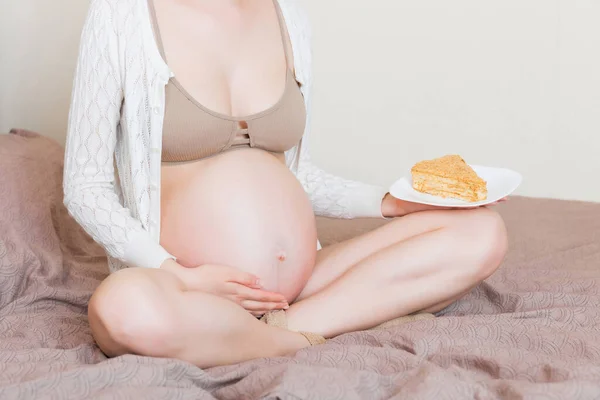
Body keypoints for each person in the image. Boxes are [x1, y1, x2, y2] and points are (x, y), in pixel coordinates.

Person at [63, 0, 508, 369]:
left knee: (481, 231)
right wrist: (176, 274)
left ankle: (275, 332)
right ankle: (308, 338)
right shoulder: (122, 15)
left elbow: (296, 174)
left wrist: (387, 202)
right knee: (120, 310)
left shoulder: (287, 15)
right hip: (191, 288)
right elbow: (86, 185)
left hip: (299, 283)